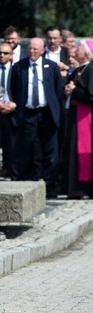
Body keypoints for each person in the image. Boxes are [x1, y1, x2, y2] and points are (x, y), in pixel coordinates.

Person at [10, 37, 65, 198]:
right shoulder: (19, 67)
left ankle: (50, 185)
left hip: (47, 113)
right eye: (30, 49)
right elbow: (14, 88)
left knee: (50, 151)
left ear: (42, 50)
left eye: (36, 49)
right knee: (26, 149)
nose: (32, 51)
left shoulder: (52, 67)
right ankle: (27, 184)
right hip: (28, 113)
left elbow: (58, 90)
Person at [61, 39, 93, 199]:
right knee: (73, 150)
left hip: (86, 118)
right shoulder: (78, 69)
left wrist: (74, 91)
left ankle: (86, 188)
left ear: (87, 52)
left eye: (79, 47)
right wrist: (69, 89)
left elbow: (90, 96)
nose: (76, 50)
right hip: (75, 115)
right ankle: (75, 187)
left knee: (85, 151)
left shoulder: (91, 69)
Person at [0, 42, 17, 179]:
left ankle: (11, 172)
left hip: (12, 112)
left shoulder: (16, 69)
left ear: (11, 55)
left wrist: (14, 105)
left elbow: (21, 91)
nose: (2, 55)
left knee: (12, 146)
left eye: (5, 53)